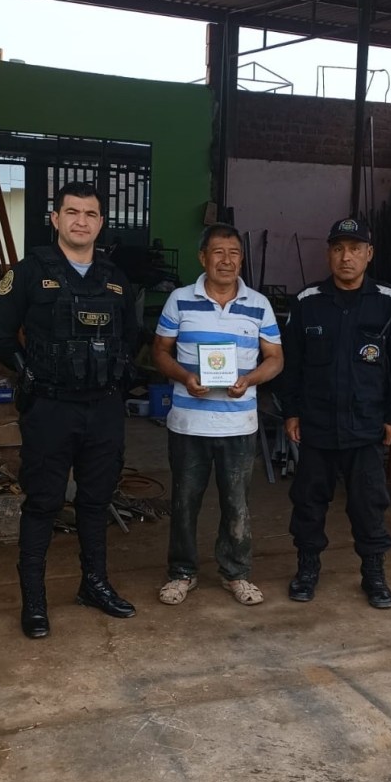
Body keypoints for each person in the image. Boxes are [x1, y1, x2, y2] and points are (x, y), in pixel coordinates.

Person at [0, 181, 138, 638]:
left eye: (90, 214)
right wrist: (28, 372)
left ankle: (94, 584)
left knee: (95, 500)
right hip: (51, 407)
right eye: (72, 212)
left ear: (101, 223)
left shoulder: (115, 278)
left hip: (103, 408)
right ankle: (34, 600)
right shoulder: (28, 273)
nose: (81, 222)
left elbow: (132, 337)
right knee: (44, 503)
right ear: (55, 218)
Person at [280, 217, 391, 609]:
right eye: (339, 249)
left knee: (369, 505)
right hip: (317, 426)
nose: (346, 257)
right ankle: (307, 569)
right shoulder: (307, 302)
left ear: (369, 254)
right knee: (308, 503)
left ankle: (373, 575)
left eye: (355, 249)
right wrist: (291, 411)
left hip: (367, 427)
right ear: (329, 254)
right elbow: (292, 365)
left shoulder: (390, 303)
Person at [151, 223, 284, 606]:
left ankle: (236, 573)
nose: (226, 260)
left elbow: (275, 358)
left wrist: (250, 379)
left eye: (234, 253)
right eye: (218, 252)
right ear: (202, 257)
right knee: (184, 501)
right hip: (188, 423)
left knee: (237, 503)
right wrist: (184, 376)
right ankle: (181, 572)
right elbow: (159, 351)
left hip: (238, 423)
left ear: (241, 259)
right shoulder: (179, 300)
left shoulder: (258, 304)